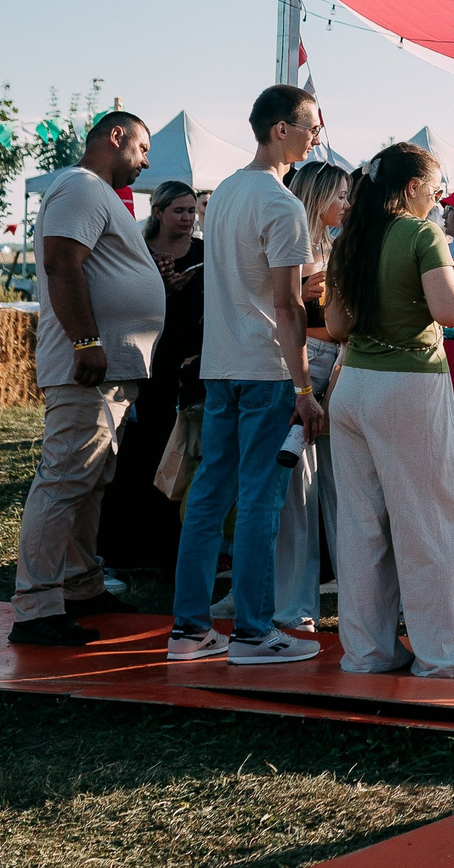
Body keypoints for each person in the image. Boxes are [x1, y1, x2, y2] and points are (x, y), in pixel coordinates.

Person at [321, 142, 454, 678]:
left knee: (361, 527)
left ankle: (368, 651)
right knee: (434, 519)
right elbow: (449, 312)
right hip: (407, 386)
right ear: (410, 188)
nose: (439, 198)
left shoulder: (349, 237)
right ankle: (445, 654)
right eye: (435, 187)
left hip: (353, 387)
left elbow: (336, 327)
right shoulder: (421, 233)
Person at [167, 86, 326, 666]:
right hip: (264, 370)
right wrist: (304, 389)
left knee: (210, 496)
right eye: (310, 126)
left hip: (222, 367)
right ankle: (255, 633)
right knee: (260, 499)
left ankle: (189, 629)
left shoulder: (227, 192)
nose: (316, 136)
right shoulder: (280, 204)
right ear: (279, 129)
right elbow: (290, 307)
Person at [11, 111, 165, 646]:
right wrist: (85, 341)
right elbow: (61, 264)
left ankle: (79, 585)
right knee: (64, 478)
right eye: (142, 147)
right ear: (115, 137)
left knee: (88, 479)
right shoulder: (78, 187)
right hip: (87, 368)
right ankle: (35, 606)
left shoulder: (93, 193)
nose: (147, 160)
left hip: (108, 369)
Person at [98, 180, 206, 572]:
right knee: (138, 451)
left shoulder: (203, 252)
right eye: (179, 210)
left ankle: (170, 548)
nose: (187, 218)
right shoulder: (138, 252)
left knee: (178, 453)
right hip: (145, 359)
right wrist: (160, 287)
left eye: (192, 211)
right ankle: (125, 548)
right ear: (158, 212)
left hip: (189, 363)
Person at [271, 160, 354, 637]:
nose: (345, 204)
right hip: (301, 365)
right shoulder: (294, 245)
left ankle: (358, 599)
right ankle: (294, 608)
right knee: (297, 491)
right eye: (339, 195)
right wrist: (302, 292)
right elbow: (277, 309)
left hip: (338, 364)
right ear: (318, 197)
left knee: (342, 487)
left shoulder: (335, 245)